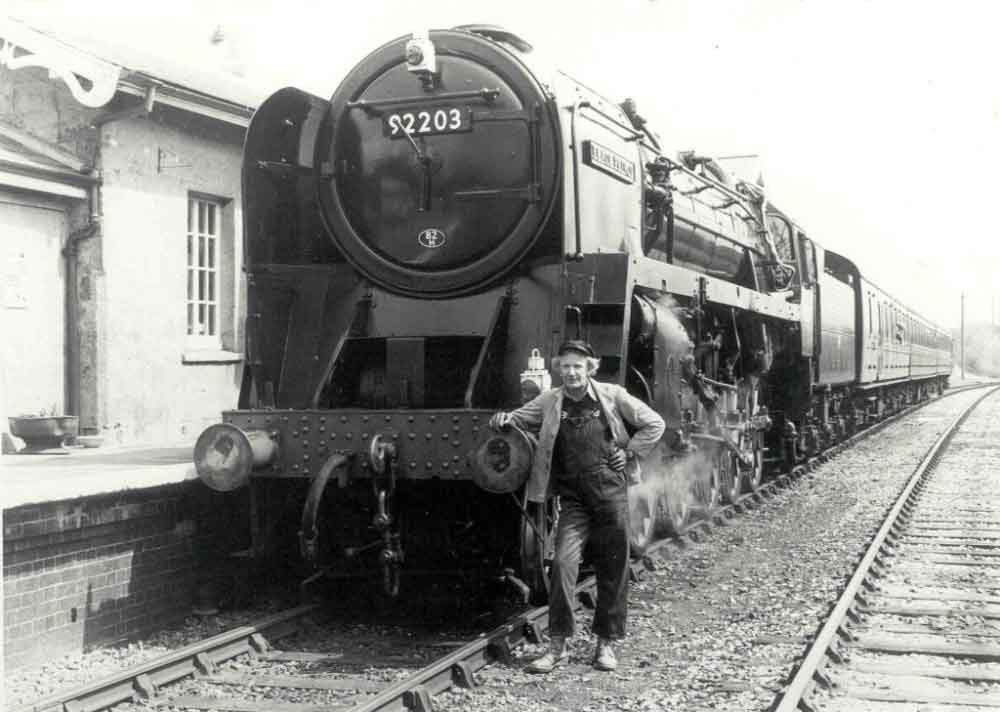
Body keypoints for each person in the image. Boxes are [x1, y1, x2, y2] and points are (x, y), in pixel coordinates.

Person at [490, 340, 665, 672]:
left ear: (590, 368)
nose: (571, 372)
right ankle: (558, 646)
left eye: (578, 366)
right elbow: (516, 419)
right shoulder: (550, 401)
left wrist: (629, 452)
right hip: (573, 500)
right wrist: (501, 419)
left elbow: (654, 423)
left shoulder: (612, 395)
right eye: (566, 366)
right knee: (562, 566)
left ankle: (605, 645)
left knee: (613, 569)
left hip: (610, 495)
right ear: (559, 369)